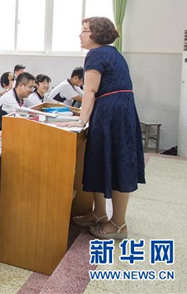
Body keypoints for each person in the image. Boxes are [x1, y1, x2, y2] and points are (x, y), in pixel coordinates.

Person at [63, 17, 145, 240]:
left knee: (117, 162)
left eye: (84, 30)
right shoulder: (113, 53)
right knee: (98, 160)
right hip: (118, 111)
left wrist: (81, 121)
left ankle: (118, 224)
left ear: (96, 34)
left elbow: (90, 91)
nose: (80, 35)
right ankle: (99, 213)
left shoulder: (96, 54)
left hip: (112, 114)